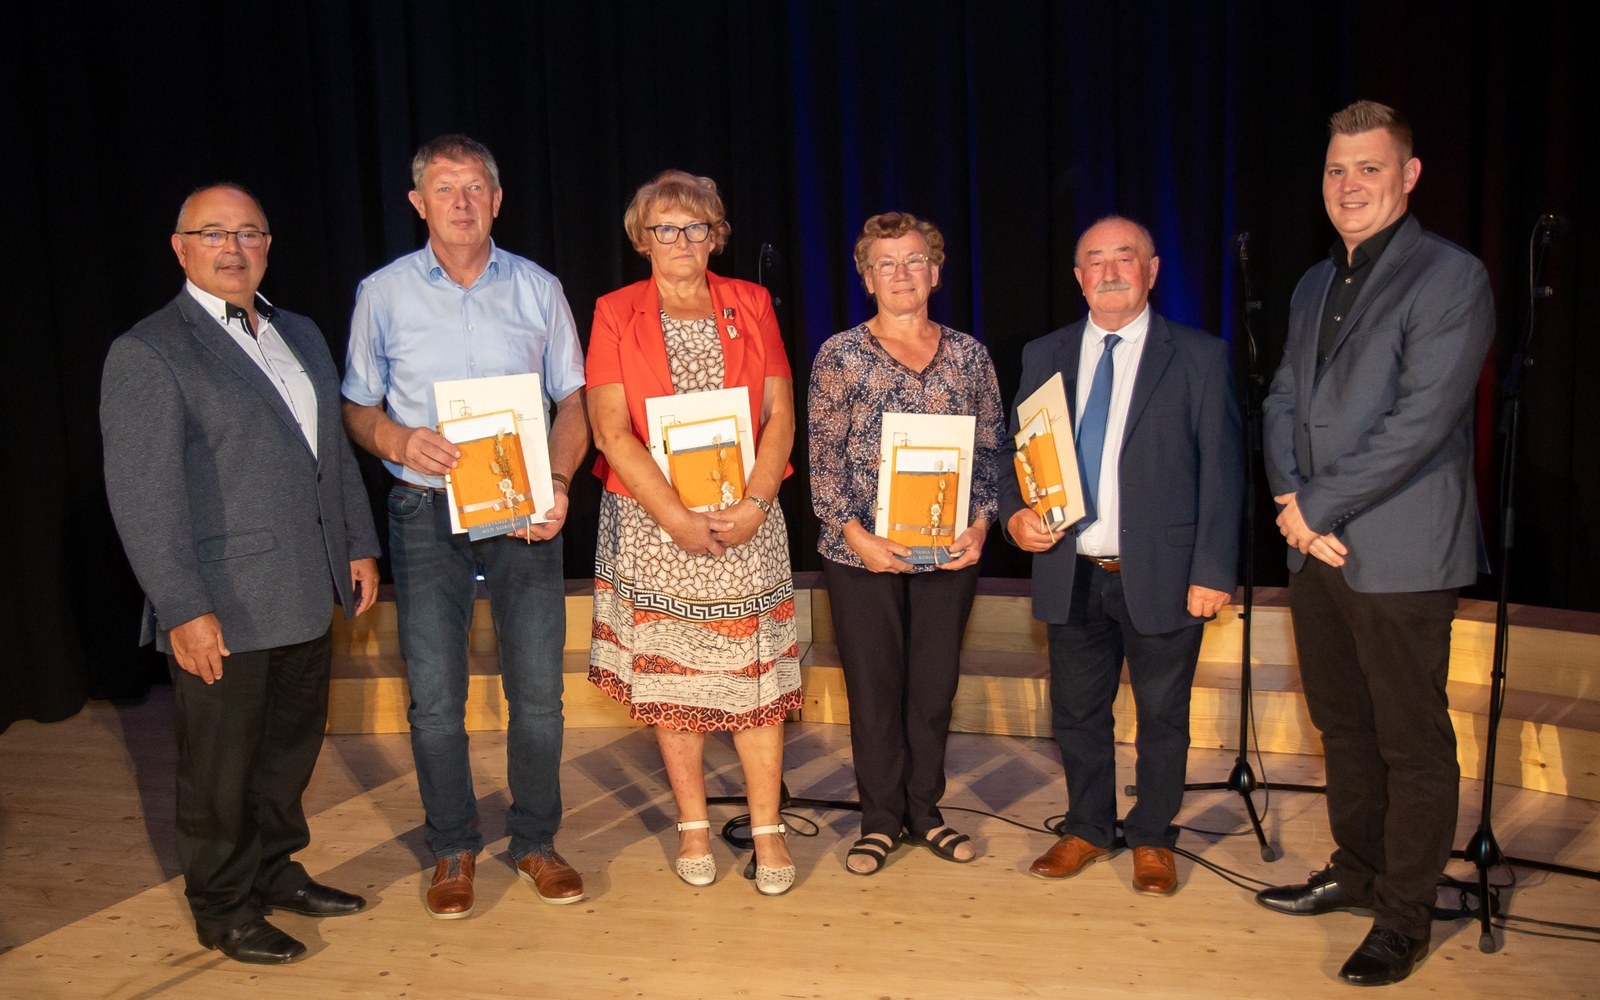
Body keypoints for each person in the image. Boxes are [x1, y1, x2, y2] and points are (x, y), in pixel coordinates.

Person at [101, 184, 381, 964]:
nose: (233, 247)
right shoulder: (149, 351)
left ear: (267, 245)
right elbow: (144, 499)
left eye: (248, 232)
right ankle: (223, 906)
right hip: (223, 605)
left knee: (288, 753)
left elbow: (329, 454)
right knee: (220, 771)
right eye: (213, 233)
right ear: (180, 247)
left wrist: (357, 542)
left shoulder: (301, 332)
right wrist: (182, 606)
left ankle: (275, 871)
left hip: (306, 588)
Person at [1256, 100, 1495, 987]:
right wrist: (1291, 500)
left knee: (1410, 742)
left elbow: (1422, 422)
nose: (1349, 185)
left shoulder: (1451, 277)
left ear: (1409, 175)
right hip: (1314, 546)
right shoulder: (1315, 283)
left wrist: (1315, 507)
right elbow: (1283, 398)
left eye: (1369, 168)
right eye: (1336, 169)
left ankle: (1403, 916)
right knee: (1343, 727)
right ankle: (1356, 872)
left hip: (1399, 552)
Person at [342, 135, 590, 918]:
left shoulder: (539, 288)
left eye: (475, 186)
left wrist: (557, 482)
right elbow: (356, 406)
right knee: (435, 697)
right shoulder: (383, 293)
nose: (461, 201)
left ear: (497, 199)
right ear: (418, 203)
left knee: (539, 692)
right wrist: (395, 439)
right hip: (424, 508)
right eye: (445, 188)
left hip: (522, 508)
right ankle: (453, 846)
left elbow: (574, 401)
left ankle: (535, 841)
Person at [1003, 216, 1243, 896]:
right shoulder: (1044, 353)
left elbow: (1223, 473)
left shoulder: (1198, 356)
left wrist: (1212, 570)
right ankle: (1087, 827)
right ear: (1078, 277)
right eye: (1096, 260)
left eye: (1125, 257)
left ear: (1152, 269)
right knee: (1077, 714)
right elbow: (1013, 455)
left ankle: (1154, 837)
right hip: (1071, 570)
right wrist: (1014, 515)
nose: (1110, 272)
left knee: (1162, 718)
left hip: (1165, 574)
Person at [587, 170, 802, 896]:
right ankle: (693, 825)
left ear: (716, 236)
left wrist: (757, 500)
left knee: (754, 680)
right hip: (656, 525)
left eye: (696, 227)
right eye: (666, 229)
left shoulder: (752, 303)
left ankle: (768, 829)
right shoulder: (614, 311)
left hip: (747, 518)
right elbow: (610, 430)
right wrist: (676, 518)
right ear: (642, 240)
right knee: (675, 682)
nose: (681, 240)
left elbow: (780, 414)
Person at [809, 212, 1006, 875]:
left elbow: (991, 454)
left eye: (915, 260)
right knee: (874, 691)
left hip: (949, 554)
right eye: (886, 264)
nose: (902, 274)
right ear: (867, 278)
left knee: (932, 689)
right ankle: (879, 822)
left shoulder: (970, 356)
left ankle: (926, 812)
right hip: (861, 556)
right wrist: (856, 535)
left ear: (936, 272)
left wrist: (981, 525)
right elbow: (823, 464)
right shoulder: (839, 355)